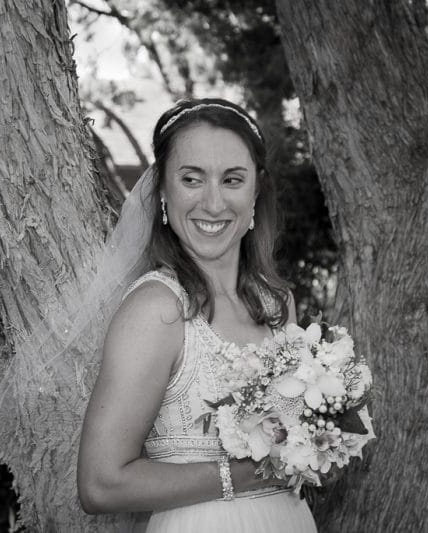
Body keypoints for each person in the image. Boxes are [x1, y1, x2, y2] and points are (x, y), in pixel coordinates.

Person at [77, 99, 318, 531]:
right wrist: (242, 476)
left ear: (256, 191)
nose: (212, 202)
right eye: (192, 179)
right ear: (163, 192)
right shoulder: (157, 311)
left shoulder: (278, 304)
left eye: (232, 180)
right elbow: (100, 484)